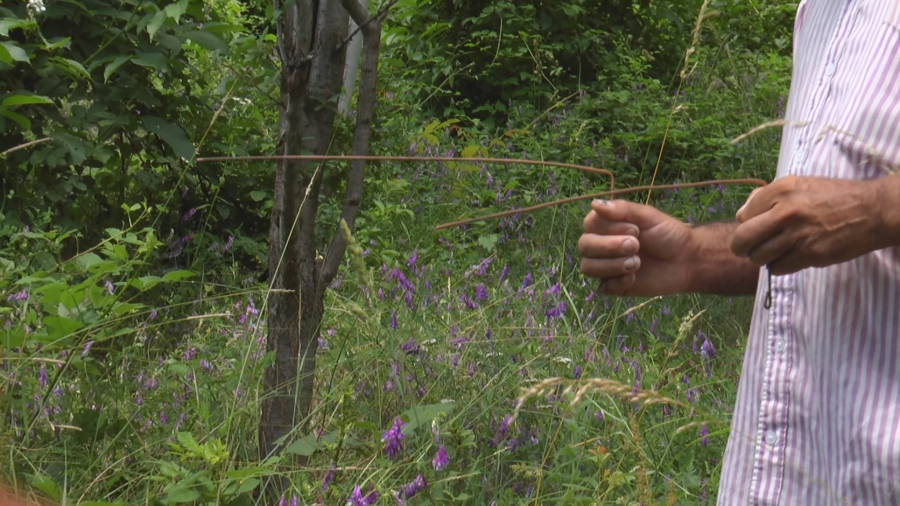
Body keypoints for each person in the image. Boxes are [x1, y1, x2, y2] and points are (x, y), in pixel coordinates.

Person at [578, 1, 900, 504]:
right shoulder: (821, 12)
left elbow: (856, 215)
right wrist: (692, 254)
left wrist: (877, 209)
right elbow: (820, 242)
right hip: (782, 477)